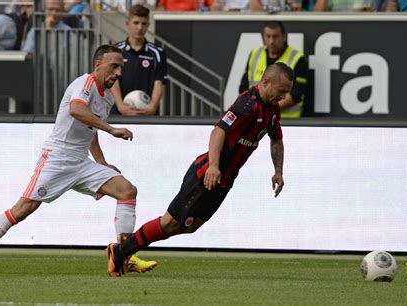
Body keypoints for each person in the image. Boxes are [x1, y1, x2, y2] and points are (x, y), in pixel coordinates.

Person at [0, 44, 157, 275]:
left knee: (127, 191)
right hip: (58, 158)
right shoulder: (85, 83)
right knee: (23, 209)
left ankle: (123, 256)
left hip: (81, 162)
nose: (118, 73)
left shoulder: (108, 98)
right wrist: (112, 130)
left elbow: (89, 128)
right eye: (114, 67)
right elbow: (77, 111)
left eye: (121, 68)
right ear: (98, 65)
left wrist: (101, 162)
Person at [107, 62, 293, 277]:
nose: (283, 97)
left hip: (224, 181)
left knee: (189, 226)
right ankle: (120, 252)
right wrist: (213, 166)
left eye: (286, 93)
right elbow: (218, 131)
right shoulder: (247, 104)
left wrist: (278, 171)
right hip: (205, 175)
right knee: (170, 222)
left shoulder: (272, 110)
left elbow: (276, 139)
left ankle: (123, 249)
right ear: (266, 82)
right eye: (281, 92)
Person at [239, 21, 308, 118]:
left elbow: (295, 95)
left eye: (275, 36)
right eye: (268, 36)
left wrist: (264, 111)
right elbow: (244, 88)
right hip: (255, 118)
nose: (271, 41)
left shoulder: (298, 58)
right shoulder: (255, 54)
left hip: (286, 121)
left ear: (283, 36)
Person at [111, 5, 168, 116]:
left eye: (144, 23)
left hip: (147, 114)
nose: (140, 27)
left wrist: (152, 107)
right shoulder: (115, 51)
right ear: (127, 24)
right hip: (119, 113)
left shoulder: (158, 53)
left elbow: (159, 83)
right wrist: (120, 106)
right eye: (136, 23)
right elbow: (113, 81)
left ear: (148, 26)